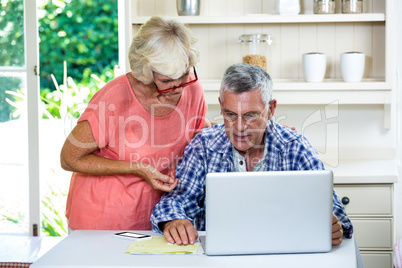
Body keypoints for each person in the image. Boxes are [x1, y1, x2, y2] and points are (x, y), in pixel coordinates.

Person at [151, 63, 353, 246]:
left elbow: (334, 210)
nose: (239, 127)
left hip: (283, 255)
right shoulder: (203, 146)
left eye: (250, 115)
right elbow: (176, 200)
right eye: (230, 114)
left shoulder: (295, 147)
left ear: (271, 109)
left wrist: (333, 226)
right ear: (221, 106)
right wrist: (174, 220)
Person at [60, 16, 210, 230]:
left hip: (157, 218)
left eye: (184, 75)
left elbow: (192, 131)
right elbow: (69, 158)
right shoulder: (114, 98)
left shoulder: (193, 89)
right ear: (146, 71)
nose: (178, 87)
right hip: (101, 219)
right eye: (167, 80)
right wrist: (137, 169)